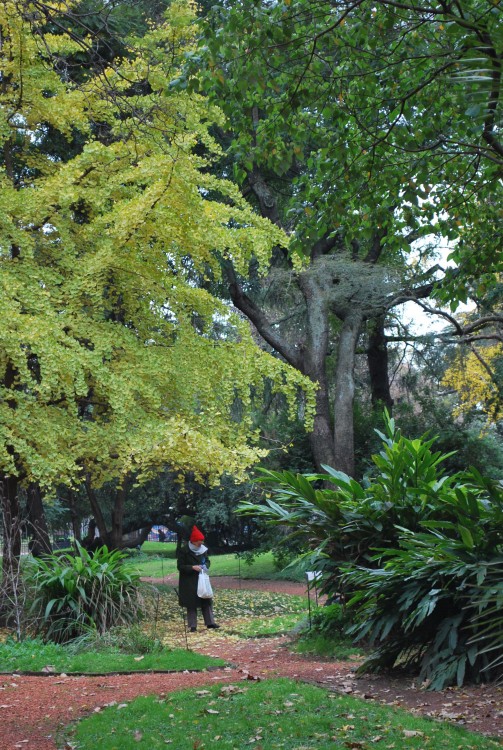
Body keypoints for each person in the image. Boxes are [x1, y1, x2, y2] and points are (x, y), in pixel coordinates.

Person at [176, 525, 220, 632]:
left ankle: (210, 623)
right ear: (194, 541)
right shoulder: (184, 551)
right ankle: (192, 626)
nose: (201, 543)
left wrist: (206, 566)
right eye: (199, 541)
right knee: (191, 603)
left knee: (206, 599)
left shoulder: (203, 550)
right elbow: (180, 566)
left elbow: (208, 560)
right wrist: (192, 567)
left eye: (202, 541)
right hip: (189, 581)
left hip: (202, 579)